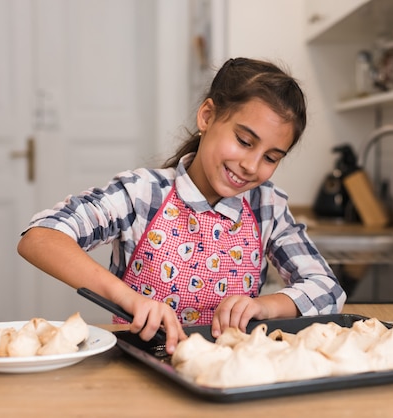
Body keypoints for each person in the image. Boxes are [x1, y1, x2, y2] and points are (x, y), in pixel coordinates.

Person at [17, 57, 346, 354]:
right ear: (207, 116)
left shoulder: (267, 206)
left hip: (229, 371)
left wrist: (266, 307)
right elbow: (40, 237)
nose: (251, 165)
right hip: (141, 368)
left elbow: (328, 290)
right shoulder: (143, 194)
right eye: (244, 141)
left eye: (271, 158)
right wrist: (129, 300)